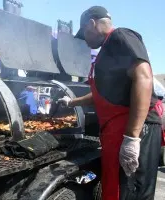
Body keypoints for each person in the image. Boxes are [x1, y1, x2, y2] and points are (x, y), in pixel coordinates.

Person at [58, 6, 163, 200]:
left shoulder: (120, 37)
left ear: (92, 23)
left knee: (131, 193)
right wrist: (71, 102)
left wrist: (132, 138)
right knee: (116, 191)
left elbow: (144, 77)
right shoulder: (107, 50)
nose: (86, 42)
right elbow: (101, 95)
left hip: (137, 129)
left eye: (85, 34)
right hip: (117, 132)